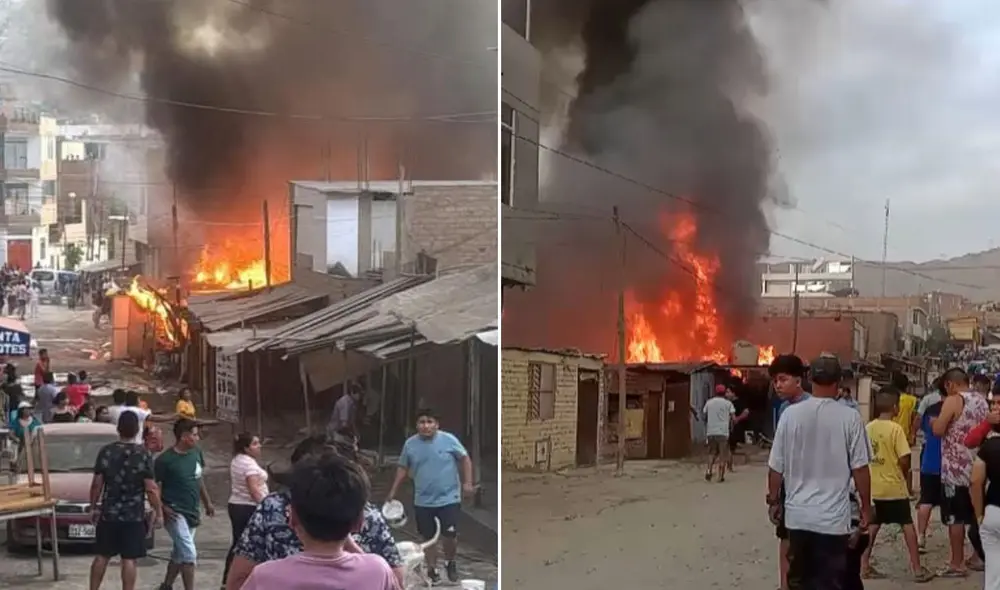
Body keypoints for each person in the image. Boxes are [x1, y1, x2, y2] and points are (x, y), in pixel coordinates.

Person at [225, 434, 404, 590]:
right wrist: (354, 548)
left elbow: (237, 581)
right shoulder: (376, 569)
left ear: (292, 517)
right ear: (359, 522)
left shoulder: (264, 575)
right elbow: (395, 580)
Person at [766, 354, 871, 590]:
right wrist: (865, 507)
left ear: (809, 378)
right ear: (839, 381)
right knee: (831, 583)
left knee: (799, 582)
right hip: (833, 522)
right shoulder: (850, 417)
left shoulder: (790, 415)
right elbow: (860, 469)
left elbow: (775, 468)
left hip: (798, 519)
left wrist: (773, 501)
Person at [387, 409, 475, 584]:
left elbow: (465, 458)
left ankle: (450, 562)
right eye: (422, 422)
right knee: (427, 538)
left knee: (449, 535)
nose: (426, 426)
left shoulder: (449, 440)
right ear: (416, 425)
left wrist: (467, 483)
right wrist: (393, 491)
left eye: (429, 422)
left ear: (437, 424)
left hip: (449, 497)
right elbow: (403, 467)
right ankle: (432, 569)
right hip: (423, 500)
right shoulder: (410, 445)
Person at [860, 389, 932, 582]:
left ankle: (864, 565)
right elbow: (904, 458)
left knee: (873, 526)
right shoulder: (895, 429)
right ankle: (917, 569)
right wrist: (903, 471)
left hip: (874, 488)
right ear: (895, 408)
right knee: (907, 525)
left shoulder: (868, 428)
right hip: (894, 487)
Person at [88, 411, 163, 590]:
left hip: (109, 514)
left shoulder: (106, 451)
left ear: (118, 428)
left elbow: (97, 484)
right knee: (129, 559)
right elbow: (151, 488)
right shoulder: (143, 454)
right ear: (137, 429)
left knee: (102, 556)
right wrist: (158, 512)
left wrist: (93, 507)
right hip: (133, 516)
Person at [932, 367, 988, 576]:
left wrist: (935, 422)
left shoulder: (954, 400)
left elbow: (939, 429)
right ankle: (976, 556)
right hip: (977, 467)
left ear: (949, 384)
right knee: (976, 514)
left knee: (955, 518)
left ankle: (957, 562)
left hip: (954, 470)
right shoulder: (981, 400)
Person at [154, 419, 215, 590]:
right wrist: (162, 508)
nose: (197, 438)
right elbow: (154, 488)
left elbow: (198, 478)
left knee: (180, 552)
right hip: (174, 511)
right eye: (194, 435)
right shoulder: (165, 461)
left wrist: (207, 502)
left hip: (192, 510)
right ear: (183, 437)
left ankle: (166, 585)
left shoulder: (196, 453)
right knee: (189, 554)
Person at [768, 353, 810, 590]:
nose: (778, 385)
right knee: (785, 537)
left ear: (799, 380)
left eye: (782, 379)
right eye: (775, 381)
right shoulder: (784, 408)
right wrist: (774, 498)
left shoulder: (812, 407)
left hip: (812, 484)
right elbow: (779, 458)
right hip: (789, 486)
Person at [223, 433, 269, 588]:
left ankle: (227, 580)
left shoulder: (238, 460)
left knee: (238, 543)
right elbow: (254, 490)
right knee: (246, 546)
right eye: (255, 444)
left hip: (237, 504)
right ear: (246, 448)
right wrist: (267, 506)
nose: (259, 446)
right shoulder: (248, 465)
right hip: (248, 507)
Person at [972, 392, 1000, 590]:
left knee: (993, 573)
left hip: (993, 513)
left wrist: (979, 514)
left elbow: (975, 481)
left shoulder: (989, 447)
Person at [916, 378, 945, 551]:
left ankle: (921, 536)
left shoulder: (929, 409)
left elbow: (923, 428)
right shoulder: (956, 410)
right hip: (949, 464)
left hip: (929, 460)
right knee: (955, 508)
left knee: (926, 499)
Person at [703, 384, 736, 482]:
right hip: (723, 432)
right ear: (724, 392)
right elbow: (733, 418)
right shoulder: (728, 404)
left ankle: (709, 471)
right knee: (723, 454)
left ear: (715, 392)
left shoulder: (709, 402)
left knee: (711, 453)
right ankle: (720, 476)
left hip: (711, 432)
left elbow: (704, 416)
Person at [726, 388, 751, 472]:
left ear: (734, 393)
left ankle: (729, 466)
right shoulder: (727, 403)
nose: (726, 394)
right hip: (726, 427)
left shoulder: (739, 402)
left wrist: (737, 419)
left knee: (730, 447)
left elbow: (746, 412)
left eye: (728, 392)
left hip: (735, 428)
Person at [892, 372, 919, 447]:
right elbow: (914, 420)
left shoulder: (890, 399)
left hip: (890, 433)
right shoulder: (913, 400)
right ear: (906, 386)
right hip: (905, 436)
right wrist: (913, 435)